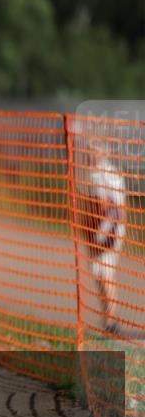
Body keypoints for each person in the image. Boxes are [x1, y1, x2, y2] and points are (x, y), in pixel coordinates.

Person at [74, 138, 127, 336]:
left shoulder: (107, 175)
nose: (90, 154)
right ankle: (109, 318)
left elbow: (108, 206)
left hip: (108, 231)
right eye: (89, 151)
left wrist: (105, 231)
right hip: (98, 232)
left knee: (105, 275)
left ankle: (112, 320)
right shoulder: (93, 174)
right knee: (100, 275)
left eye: (94, 151)